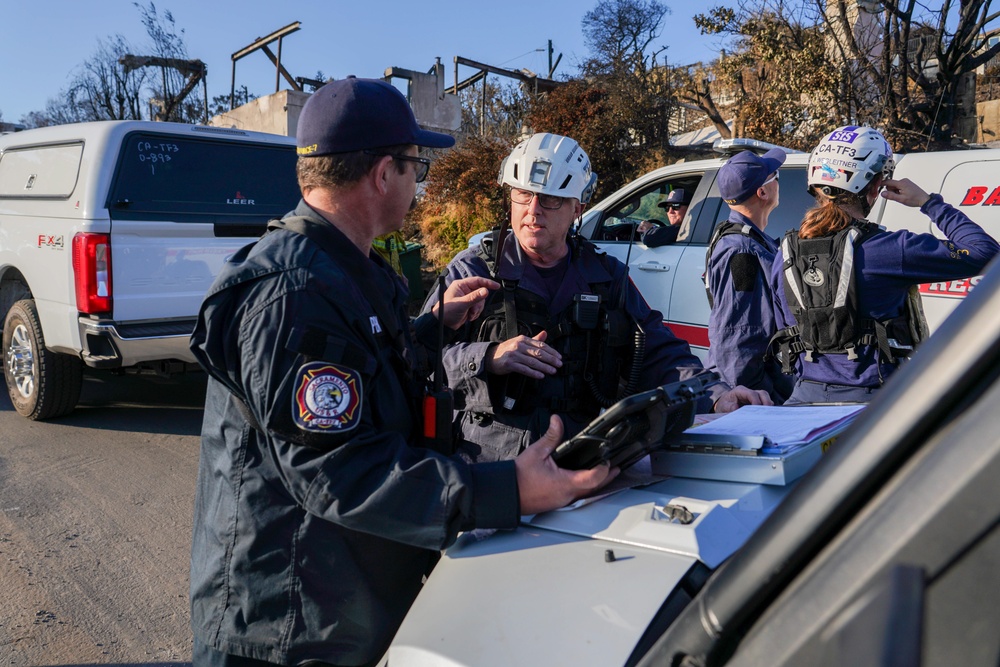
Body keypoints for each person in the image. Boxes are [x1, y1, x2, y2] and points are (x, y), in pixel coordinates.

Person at [188, 79, 616, 667]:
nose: (422, 183)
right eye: (418, 166)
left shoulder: (344, 270)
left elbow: (358, 372)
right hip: (287, 627)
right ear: (383, 174)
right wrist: (505, 489)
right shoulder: (295, 293)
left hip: (336, 604)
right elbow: (339, 471)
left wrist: (431, 325)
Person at [422, 132, 771, 463]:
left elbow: (658, 352)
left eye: (551, 199)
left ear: (578, 207)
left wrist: (717, 395)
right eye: (523, 195)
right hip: (488, 461)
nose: (533, 210)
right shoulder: (472, 270)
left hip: (579, 455)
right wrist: (488, 357)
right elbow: (419, 359)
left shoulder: (606, 276)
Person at [770, 125, 1000, 404]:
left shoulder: (784, 253)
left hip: (802, 398)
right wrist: (928, 203)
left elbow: (785, 328)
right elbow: (985, 252)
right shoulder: (890, 249)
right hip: (871, 404)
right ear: (875, 184)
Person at [704, 148, 794, 404]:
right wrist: (758, 398)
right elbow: (737, 336)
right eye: (775, 175)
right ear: (762, 192)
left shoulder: (749, 239)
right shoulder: (741, 251)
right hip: (756, 397)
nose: (778, 181)